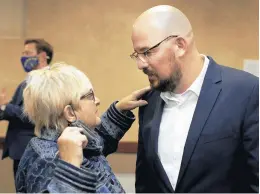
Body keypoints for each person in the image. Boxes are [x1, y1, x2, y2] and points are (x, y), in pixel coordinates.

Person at [130, 5, 259, 193]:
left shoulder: (247, 92)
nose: (140, 64)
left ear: (180, 45)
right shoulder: (149, 102)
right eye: (136, 55)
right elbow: (145, 184)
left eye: (147, 52)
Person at [15, 63, 150, 193]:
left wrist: (119, 111)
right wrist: (71, 167)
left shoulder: (70, 142)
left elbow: (95, 147)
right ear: (70, 113)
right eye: (90, 95)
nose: (97, 100)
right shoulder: (51, 160)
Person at [0, 39, 53, 178]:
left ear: (42, 56)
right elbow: (13, 108)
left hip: (33, 148)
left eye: (28, 53)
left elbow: (34, 115)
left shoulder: (47, 81)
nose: (23, 56)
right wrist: (2, 107)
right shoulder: (28, 80)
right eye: (23, 52)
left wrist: (5, 106)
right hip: (21, 149)